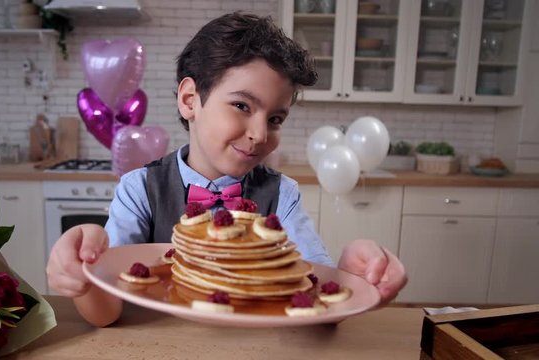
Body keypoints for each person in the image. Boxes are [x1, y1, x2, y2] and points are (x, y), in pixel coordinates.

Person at [47, 12, 407, 327]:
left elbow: (315, 301)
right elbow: (106, 311)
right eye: (241, 105)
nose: (260, 134)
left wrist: (351, 278)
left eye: (276, 118)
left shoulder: (282, 195)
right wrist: (82, 273)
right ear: (190, 100)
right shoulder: (139, 188)